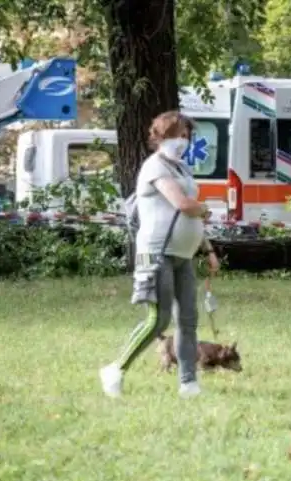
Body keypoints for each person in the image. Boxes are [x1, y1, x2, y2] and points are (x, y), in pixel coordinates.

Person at [100, 111, 220, 399]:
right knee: (159, 319)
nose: (184, 140)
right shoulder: (154, 167)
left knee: (188, 321)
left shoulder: (183, 169)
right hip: (155, 253)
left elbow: (193, 217)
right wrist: (203, 207)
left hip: (183, 255)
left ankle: (188, 383)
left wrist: (209, 250)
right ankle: (115, 369)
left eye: (187, 136)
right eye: (179, 134)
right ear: (161, 136)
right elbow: (182, 204)